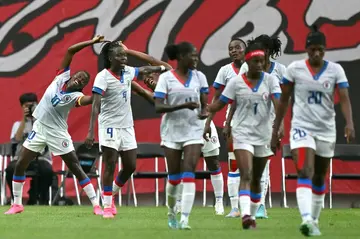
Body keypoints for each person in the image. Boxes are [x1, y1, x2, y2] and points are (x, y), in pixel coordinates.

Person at [4, 35, 106, 215]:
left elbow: (90, 99)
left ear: (83, 86)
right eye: (79, 76)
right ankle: (17, 204)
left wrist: (100, 92)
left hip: (57, 132)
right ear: (72, 75)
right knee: (20, 164)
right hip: (40, 128)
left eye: (83, 81)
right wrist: (91, 42)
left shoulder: (76, 97)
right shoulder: (61, 76)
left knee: (75, 167)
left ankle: (96, 205)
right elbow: (70, 51)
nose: (79, 80)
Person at [271, 26, 355, 236]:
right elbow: (283, 100)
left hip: (326, 129)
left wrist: (349, 122)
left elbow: (344, 98)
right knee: (304, 170)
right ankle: (306, 218)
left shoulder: (335, 70)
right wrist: (276, 126)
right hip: (302, 127)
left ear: (325, 50)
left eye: (320, 49)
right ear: (306, 49)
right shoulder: (295, 69)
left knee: (319, 176)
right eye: (312, 49)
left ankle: (314, 220)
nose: (316, 53)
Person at [85, 40, 169, 219]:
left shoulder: (128, 72)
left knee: (131, 165)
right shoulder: (103, 76)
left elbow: (144, 70)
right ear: (110, 57)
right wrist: (91, 131)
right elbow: (95, 105)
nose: (123, 58)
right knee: (110, 164)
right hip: (109, 126)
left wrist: (161, 69)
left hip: (127, 126)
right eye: (119, 55)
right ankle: (107, 206)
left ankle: (111, 193)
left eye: (124, 55)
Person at [208, 41, 282, 229]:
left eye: (262, 61)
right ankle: (245, 214)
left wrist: (278, 127)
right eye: (256, 61)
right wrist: (206, 113)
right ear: (248, 62)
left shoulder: (271, 80)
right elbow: (223, 102)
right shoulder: (235, 81)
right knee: (245, 172)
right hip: (241, 132)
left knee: (257, 176)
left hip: (263, 133)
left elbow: (278, 104)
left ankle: (256, 210)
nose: (260, 65)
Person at [143, 57, 224, 216]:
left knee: (213, 162)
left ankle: (219, 202)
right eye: (146, 81)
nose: (149, 81)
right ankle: (178, 204)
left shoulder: (172, 74)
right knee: (180, 167)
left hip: (201, 123)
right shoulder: (160, 92)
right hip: (180, 129)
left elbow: (152, 59)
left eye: (151, 77)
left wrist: (128, 51)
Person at [226, 34, 286, 219]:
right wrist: (229, 121)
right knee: (241, 166)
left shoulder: (280, 71)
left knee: (263, 166)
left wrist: (279, 124)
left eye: (265, 50)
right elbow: (237, 93)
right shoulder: (247, 66)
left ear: (269, 51)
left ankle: (260, 206)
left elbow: (282, 98)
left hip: (267, 122)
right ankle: (239, 207)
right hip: (244, 122)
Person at [153, 42, 209, 230]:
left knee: (189, 171)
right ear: (181, 57)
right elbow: (158, 106)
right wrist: (182, 106)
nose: (196, 59)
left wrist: (205, 114)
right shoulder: (166, 78)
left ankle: (185, 218)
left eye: (197, 55)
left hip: (193, 130)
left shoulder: (200, 77)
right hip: (171, 131)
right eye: (192, 56)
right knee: (174, 177)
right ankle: (171, 211)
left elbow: (204, 103)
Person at [205, 37, 247, 218]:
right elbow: (216, 99)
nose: (234, 51)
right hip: (234, 120)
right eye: (231, 49)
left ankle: (258, 206)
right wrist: (208, 122)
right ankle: (235, 207)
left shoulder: (255, 67)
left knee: (258, 166)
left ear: (246, 49)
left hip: (256, 120)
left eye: (238, 47)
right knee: (234, 164)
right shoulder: (225, 71)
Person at [6, 93, 55, 205]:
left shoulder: (43, 123)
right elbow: (17, 138)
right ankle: (16, 199)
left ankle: (39, 198)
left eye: (31, 106)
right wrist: (24, 119)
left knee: (47, 171)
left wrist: (37, 117)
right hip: (21, 158)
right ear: (22, 107)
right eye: (26, 106)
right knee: (10, 170)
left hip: (41, 158)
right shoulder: (17, 124)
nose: (29, 108)